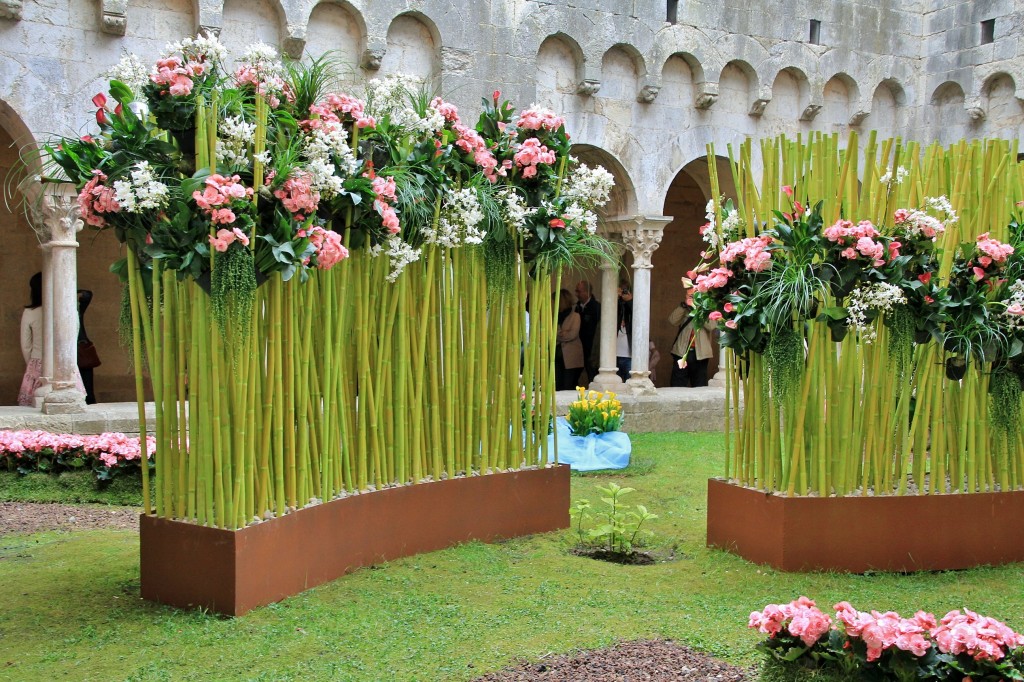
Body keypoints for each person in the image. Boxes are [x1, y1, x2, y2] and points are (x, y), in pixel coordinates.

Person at [669, 286, 716, 387]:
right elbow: (673, 321)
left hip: (701, 354)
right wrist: (684, 306)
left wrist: (698, 309)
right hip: (682, 352)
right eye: (690, 296)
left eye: (695, 296)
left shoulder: (707, 310)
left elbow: (711, 326)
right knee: (677, 385)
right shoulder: (683, 308)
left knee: (699, 385)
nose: (692, 298)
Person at [18, 273, 44, 406]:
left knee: (32, 406)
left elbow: (26, 344)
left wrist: (31, 364)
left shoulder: (30, 312)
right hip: (63, 364)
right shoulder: (69, 310)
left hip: (37, 362)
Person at [555, 289, 584, 391]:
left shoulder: (575, 316)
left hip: (571, 357)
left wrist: (558, 334)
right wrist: (562, 333)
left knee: (569, 385)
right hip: (557, 356)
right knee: (558, 385)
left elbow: (572, 335)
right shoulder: (554, 316)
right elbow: (550, 333)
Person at [574, 280, 600, 386]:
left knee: (592, 374)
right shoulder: (576, 307)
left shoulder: (596, 307)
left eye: (579, 291)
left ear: (587, 292)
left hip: (591, 347)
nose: (576, 294)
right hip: (578, 347)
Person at [77, 289, 98, 404]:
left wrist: (75, 292)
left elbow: (87, 294)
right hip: (73, 350)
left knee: (87, 389)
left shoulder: (76, 309)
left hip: (81, 348)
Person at [615, 281, 633, 382]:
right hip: (613, 355)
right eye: (621, 290)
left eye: (625, 290)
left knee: (630, 384)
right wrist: (616, 298)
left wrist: (630, 301)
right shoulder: (616, 303)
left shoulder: (634, 304)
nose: (623, 293)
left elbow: (639, 317)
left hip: (629, 355)